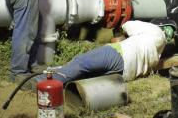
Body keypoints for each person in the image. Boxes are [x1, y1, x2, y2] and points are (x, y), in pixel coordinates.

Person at [35, 21, 170, 84]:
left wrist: (121, 33)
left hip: (119, 53)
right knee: (87, 74)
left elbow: (128, 25)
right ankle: (53, 75)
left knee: (82, 62)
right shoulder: (159, 49)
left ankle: (44, 81)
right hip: (125, 72)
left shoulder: (154, 30)